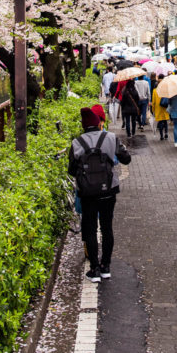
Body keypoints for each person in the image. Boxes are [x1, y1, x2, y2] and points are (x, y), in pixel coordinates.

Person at [68, 106, 131, 282]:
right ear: (98, 123)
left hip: (87, 193)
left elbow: (72, 170)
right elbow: (126, 158)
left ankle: (94, 268)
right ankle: (106, 267)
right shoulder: (111, 138)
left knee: (90, 229)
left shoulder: (77, 143)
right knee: (106, 227)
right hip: (108, 191)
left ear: (83, 125)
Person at [151, 74, 170, 140]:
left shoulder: (155, 91)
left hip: (158, 109)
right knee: (165, 121)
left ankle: (161, 135)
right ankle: (166, 133)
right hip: (165, 108)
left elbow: (153, 102)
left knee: (160, 122)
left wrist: (153, 110)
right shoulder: (166, 90)